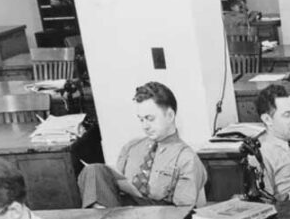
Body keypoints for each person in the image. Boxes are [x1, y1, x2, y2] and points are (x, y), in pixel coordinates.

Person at [78, 82, 207, 208]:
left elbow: (182, 212)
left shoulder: (187, 159)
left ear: (170, 116)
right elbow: (115, 189)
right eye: (141, 119)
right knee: (94, 170)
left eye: (150, 119)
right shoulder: (131, 147)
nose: (145, 126)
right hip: (123, 215)